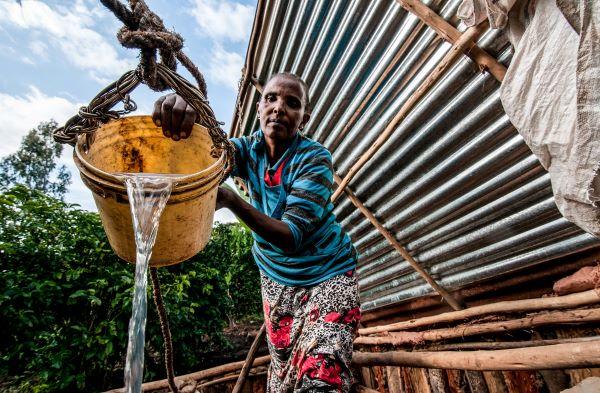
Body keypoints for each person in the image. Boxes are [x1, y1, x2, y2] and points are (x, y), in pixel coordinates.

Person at [153, 72, 360, 392]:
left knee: (322, 371)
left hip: (327, 272)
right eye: (271, 98)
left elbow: (292, 236)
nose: (279, 108)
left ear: (304, 117)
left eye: (292, 103)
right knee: (282, 366)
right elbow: (203, 157)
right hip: (275, 278)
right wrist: (184, 117)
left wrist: (232, 201)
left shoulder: (314, 158)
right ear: (259, 107)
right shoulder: (245, 150)